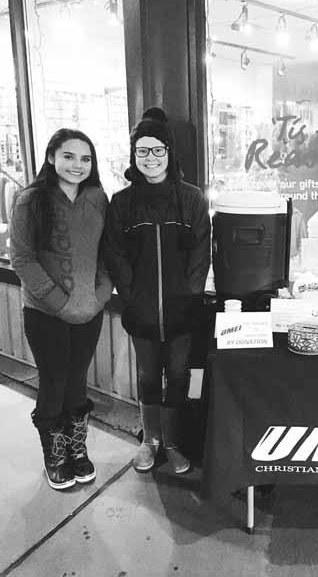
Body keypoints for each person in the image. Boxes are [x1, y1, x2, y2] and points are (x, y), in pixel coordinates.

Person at [103, 107, 210, 474]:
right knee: (149, 377)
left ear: (169, 152)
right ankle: (150, 441)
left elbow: (201, 253)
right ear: (134, 154)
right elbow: (115, 254)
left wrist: (190, 296)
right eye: (142, 150)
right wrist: (131, 297)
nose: (150, 158)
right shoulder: (122, 202)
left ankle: (173, 443)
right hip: (141, 310)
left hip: (182, 311)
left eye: (157, 149)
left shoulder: (192, 199)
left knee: (178, 376)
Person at [10, 128, 112, 490]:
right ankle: (55, 454)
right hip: (44, 313)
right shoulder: (30, 200)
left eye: (85, 158)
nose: (77, 165)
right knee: (54, 381)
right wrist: (59, 303)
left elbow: (107, 252)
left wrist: (100, 295)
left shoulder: (98, 198)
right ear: (52, 157)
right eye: (69, 156)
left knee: (77, 381)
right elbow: (22, 259)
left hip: (89, 311)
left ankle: (76, 449)